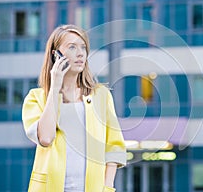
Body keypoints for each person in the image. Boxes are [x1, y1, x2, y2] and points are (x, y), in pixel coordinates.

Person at [22, 24, 127, 192]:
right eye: (72, 47)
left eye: (83, 47)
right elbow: (46, 138)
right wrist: (55, 86)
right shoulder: (36, 98)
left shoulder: (101, 95)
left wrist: (108, 187)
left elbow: (114, 147)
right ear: (56, 55)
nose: (80, 53)